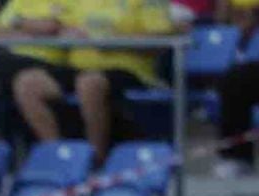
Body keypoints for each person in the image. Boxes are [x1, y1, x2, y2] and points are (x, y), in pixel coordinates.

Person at [10, 0, 172, 163]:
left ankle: (95, 160)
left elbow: (161, 40)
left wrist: (113, 41)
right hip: (78, 69)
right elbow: (59, 27)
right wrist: (65, 34)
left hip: (128, 70)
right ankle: (61, 156)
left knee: (89, 83)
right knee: (28, 82)